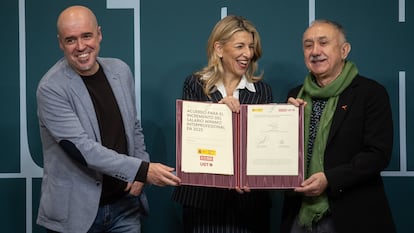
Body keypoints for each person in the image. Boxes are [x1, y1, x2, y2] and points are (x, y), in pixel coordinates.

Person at [36, 5, 181, 233]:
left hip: (125, 208)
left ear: (99, 34)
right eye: (71, 40)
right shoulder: (51, 88)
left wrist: (140, 172)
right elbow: (83, 149)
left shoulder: (120, 71)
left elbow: (133, 128)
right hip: (76, 214)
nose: (81, 46)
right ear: (60, 43)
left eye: (87, 36)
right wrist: (142, 170)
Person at [280, 19, 396, 233]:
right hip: (299, 215)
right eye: (308, 45)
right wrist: (283, 121)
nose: (315, 51)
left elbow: (378, 154)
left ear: (344, 50)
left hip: (352, 215)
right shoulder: (295, 97)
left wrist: (329, 179)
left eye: (323, 43)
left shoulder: (369, 93)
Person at [172, 15, 273, 233]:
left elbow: (262, 148)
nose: (247, 53)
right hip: (203, 203)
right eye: (240, 46)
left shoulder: (263, 91)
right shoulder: (195, 84)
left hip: (248, 205)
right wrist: (218, 110)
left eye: (251, 47)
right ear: (219, 49)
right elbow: (192, 141)